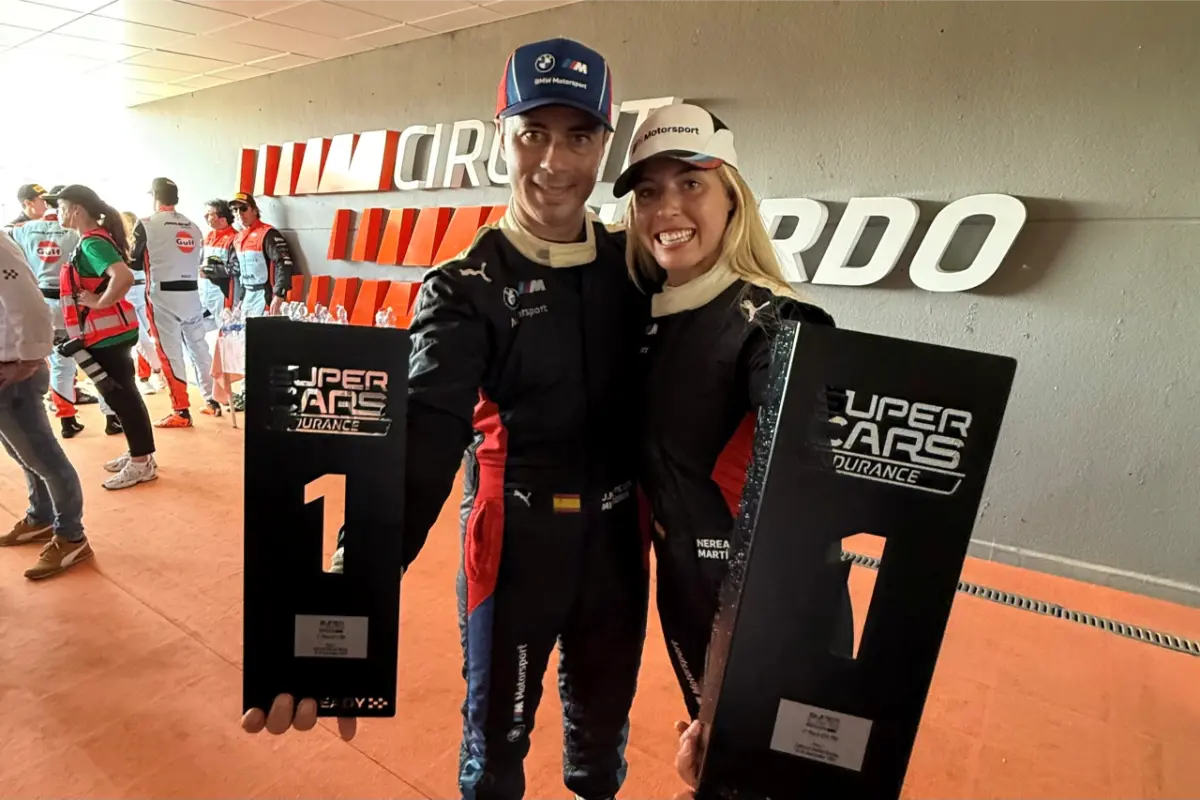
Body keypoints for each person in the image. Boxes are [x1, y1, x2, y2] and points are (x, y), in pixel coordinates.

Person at [241, 37, 651, 800]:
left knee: (602, 755)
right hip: (514, 544)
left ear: (604, 143)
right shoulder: (465, 286)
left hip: (619, 551)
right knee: (494, 758)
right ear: (500, 137)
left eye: (578, 136)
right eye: (533, 133)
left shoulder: (636, 266)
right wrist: (341, 604)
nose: (554, 161)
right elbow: (421, 440)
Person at [613, 103, 855, 795]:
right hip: (686, 585)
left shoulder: (776, 321)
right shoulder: (648, 315)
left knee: (771, 775)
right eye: (649, 191)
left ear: (732, 199)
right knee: (720, 768)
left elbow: (812, 484)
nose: (668, 207)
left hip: (764, 601)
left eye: (691, 183)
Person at [50, 184, 158, 490]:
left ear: (76, 209)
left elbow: (122, 276)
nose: (57, 213)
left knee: (122, 397)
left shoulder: (92, 244)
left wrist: (99, 303)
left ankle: (141, 462)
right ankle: (141, 454)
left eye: (60, 207)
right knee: (124, 396)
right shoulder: (91, 240)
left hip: (108, 336)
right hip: (109, 333)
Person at [0, 233, 92, 578]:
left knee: (44, 458)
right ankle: (41, 516)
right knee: (23, 454)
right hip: (9, 366)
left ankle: (71, 536)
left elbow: (29, 305)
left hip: (13, 370)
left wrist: (28, 359)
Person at [6, 183, 111, 436]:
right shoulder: (76, 231)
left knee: (60, 363)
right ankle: (111, 417)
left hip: (44, 302)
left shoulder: (24, 230)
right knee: (97, 361)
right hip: (75, 303)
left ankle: (67, 421)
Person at [131, 177, 219, 424]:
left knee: (170, 353)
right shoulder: (193, 226)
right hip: (191, 294)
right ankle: (212, 399)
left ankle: (181, 410)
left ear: (155, 197)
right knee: (199, 348)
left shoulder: (146, 224)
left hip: (162, 296)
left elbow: (134, 262)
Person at [120, 209, 164, 396]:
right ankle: (154, 371)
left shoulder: (143, 244)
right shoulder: (117, 245)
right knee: (142, 339)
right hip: (127, 296)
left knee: (150, 338)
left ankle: (149, 375)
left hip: (144, 294)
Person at [228, 192, 295, 317]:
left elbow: (284, 263)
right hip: (246, 296)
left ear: (254, 210)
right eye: (235, 210)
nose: (239, 213)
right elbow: (239, 271)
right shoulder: (237, 238)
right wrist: (240, 299)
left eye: (243, 208)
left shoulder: (268, 233)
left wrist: (279, 294)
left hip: (265, 295)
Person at [200, 198, 240, 320]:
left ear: (223, 219)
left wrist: (209, 270)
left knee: (225, 329)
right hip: (204, 295)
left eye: (210, 214)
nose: (205, 216)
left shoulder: (235, 238)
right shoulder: (208, 236)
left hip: (223, 297)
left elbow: (236, 268)